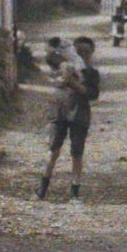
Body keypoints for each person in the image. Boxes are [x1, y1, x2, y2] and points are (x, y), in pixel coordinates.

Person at [38, 35, 101, 201]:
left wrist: (76, 85)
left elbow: (93, 94)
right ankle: (42, 188)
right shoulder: (63, 65)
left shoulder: (92, 73)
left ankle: (74, 191)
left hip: (80, 115)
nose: (83, 55)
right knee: (53, 150)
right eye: (79, 51)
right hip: (59, 112)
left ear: (92, 53)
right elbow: (49, 56)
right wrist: (64, 64)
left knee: (77, 152)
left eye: (86, 52)